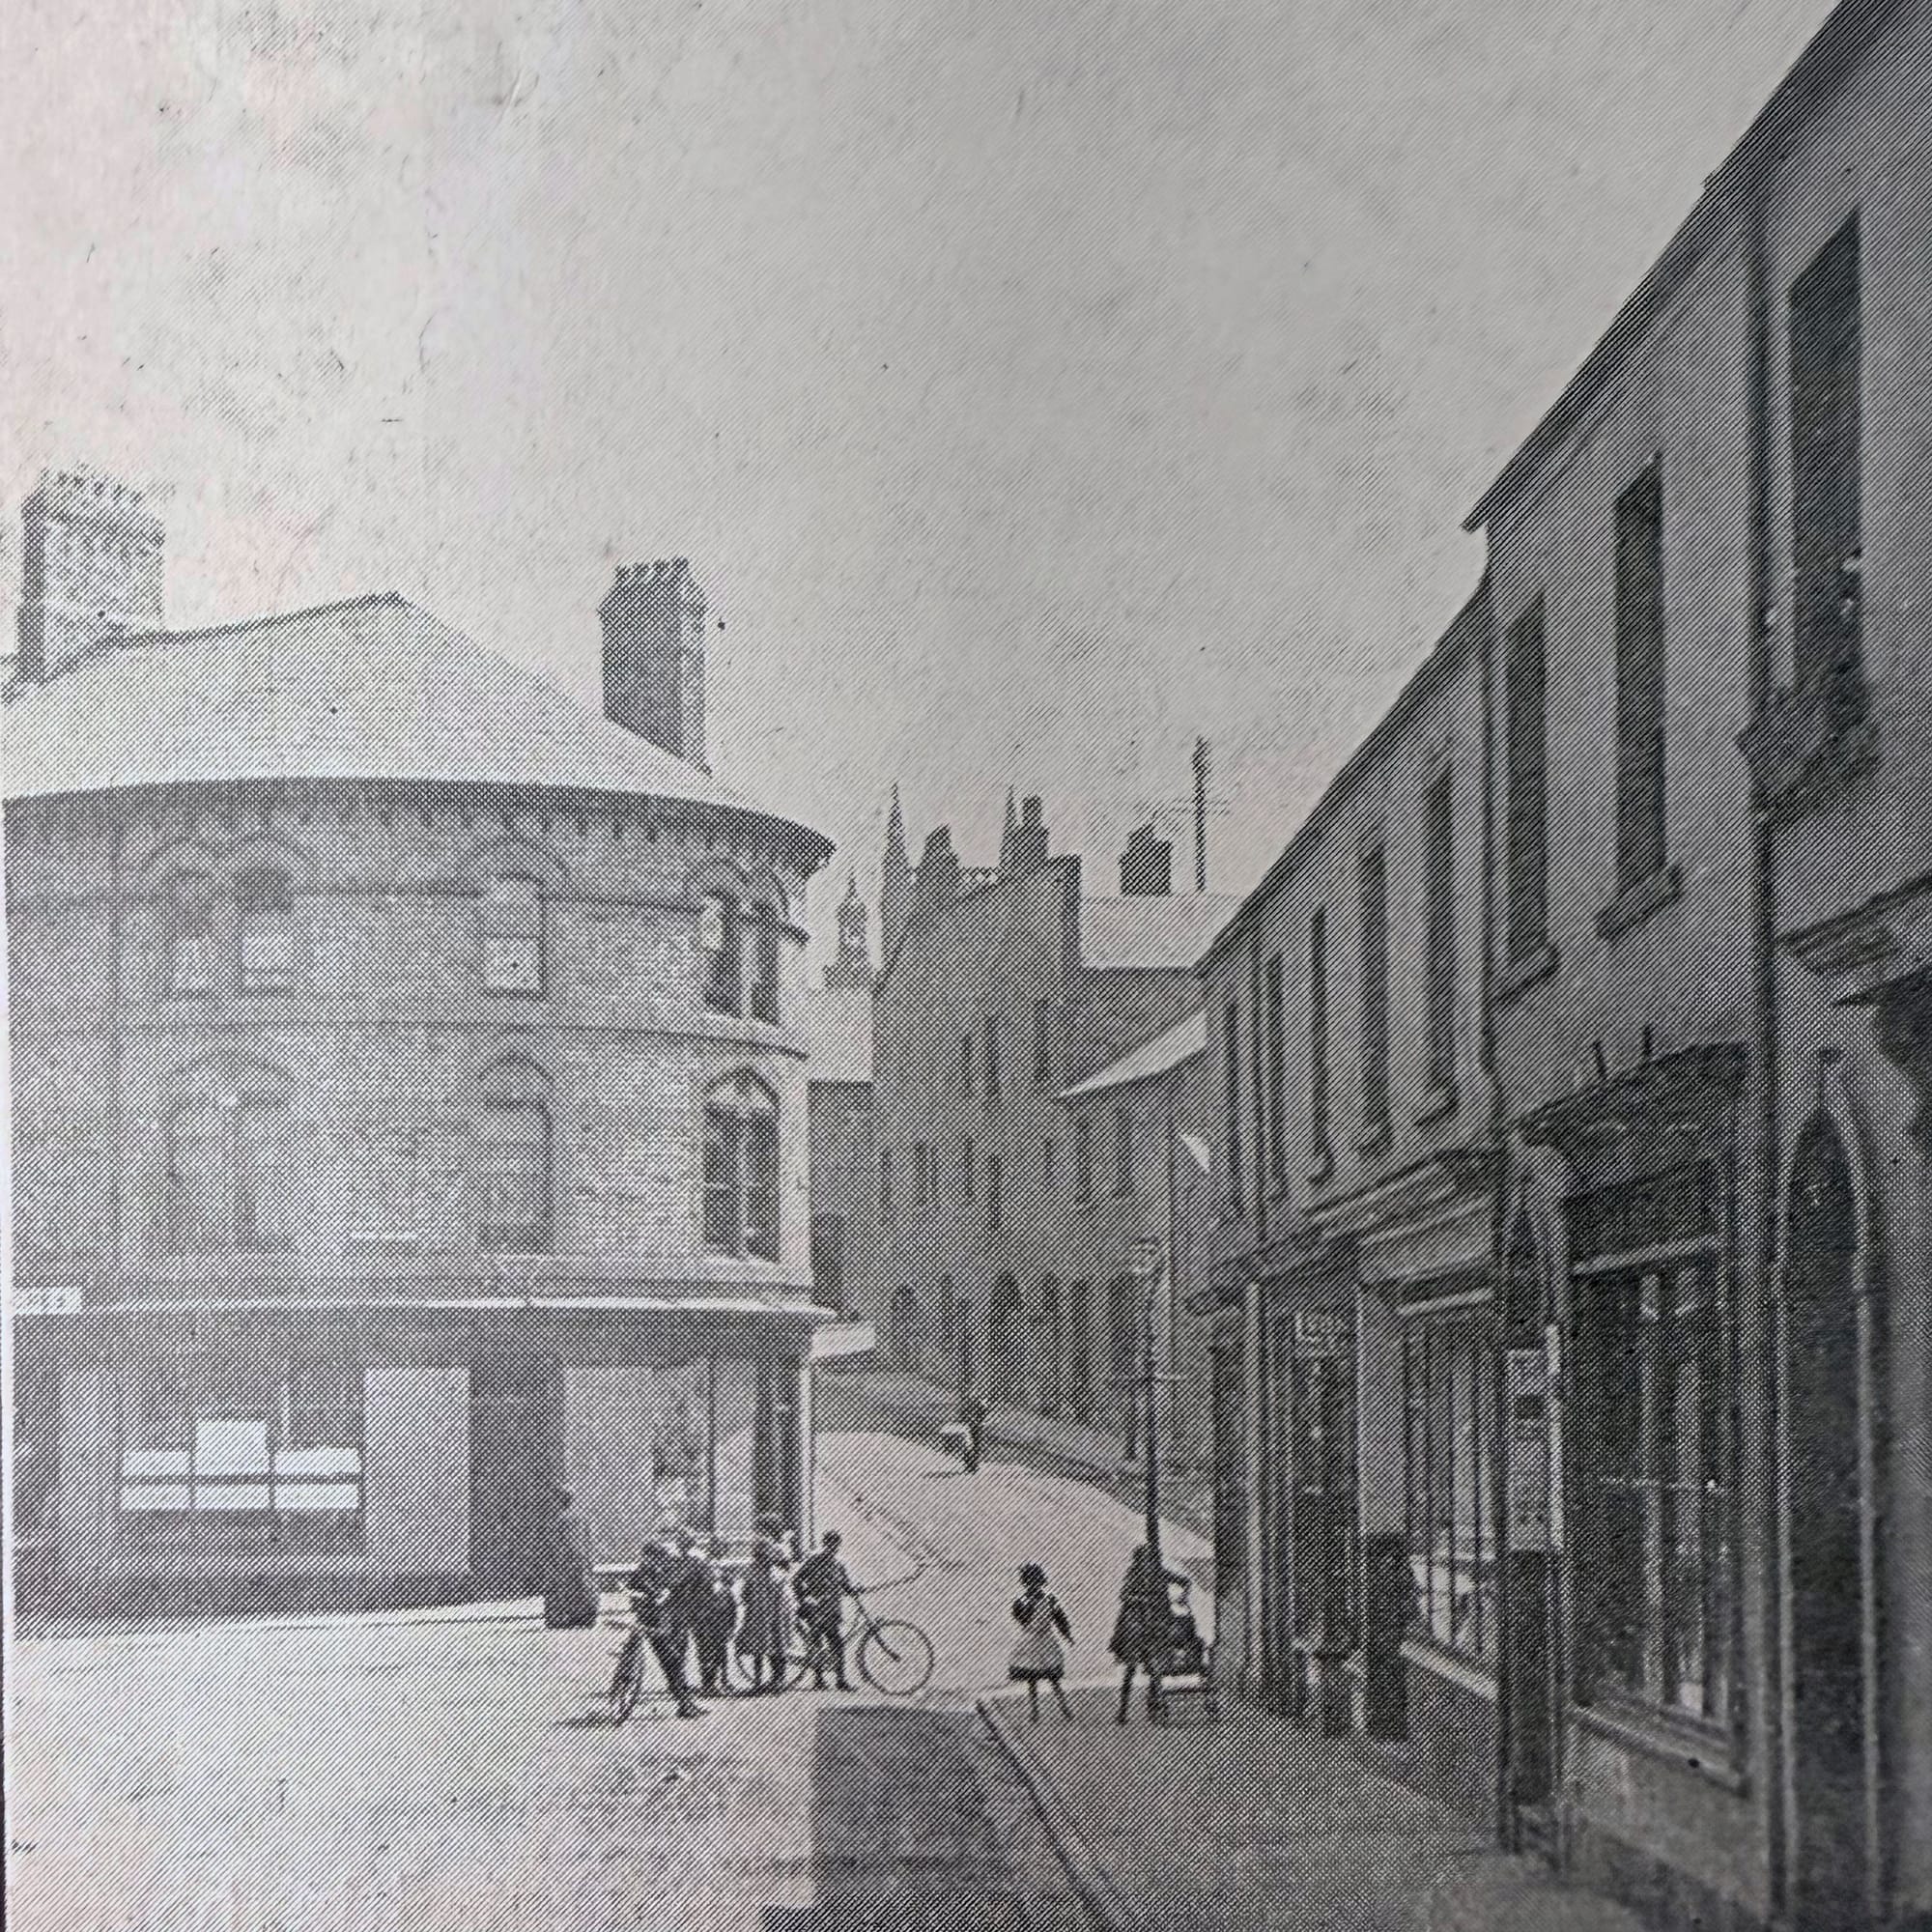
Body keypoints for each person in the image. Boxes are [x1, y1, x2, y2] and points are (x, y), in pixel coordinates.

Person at [626, 1528, 706, 1719]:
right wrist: (650, 1595)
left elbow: (670, 1588)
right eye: (652, 1558)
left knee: (677, 1660)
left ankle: (685, 1702)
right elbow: (632, 1591)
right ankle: (684, 1704)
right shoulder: (642, 1573)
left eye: (658, 1558)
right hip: (653, 1624)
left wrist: (664, 1593)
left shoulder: (664, 1571)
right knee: (673, 1660)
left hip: (669, 1621)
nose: (655, 1562)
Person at [1110, 1543, 1186, 1723]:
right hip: (1136, 1628)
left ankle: (1153, 1705)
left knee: (1154, 1668)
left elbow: (1183, 1580)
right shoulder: (1134, 1574)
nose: (1148, 1562)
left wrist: (1182, 1596)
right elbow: (1124, 1595)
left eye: (1150, 1559)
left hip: (1153, 1627)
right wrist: (1144, 1600)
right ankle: (1123, 1710)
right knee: (1131, 1668)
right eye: (1145, 1559)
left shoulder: (1159, 1573)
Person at [1008, 1563, 1075, 1723]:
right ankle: (1054, 1710)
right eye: (1032, 1582)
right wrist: (1067, 1635)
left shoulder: (1023, 1601)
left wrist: (1066, 1634)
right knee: (1042, 1678)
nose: (1034, 1586)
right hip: (1040, 1640)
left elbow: (1059, 1619)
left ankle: (1044, 1711)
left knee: (1045, 1678)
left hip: (1033, 1640)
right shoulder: (1047, 1600)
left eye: (1035, 1582)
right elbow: (1060, 1619)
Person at [735, 1520, 795, 1694]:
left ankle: (765, 1681)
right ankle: (774, 1681)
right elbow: (787, 1600)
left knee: (762, 1649)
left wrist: (748, 1603)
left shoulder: (756, 1572)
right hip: (769, 1617)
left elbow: (745, 1594)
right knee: (773, 1647)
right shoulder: (776, 1575)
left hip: (763, 1617)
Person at [792, 1529, 855, 1690]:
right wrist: (804, 1598)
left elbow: (846, 1585)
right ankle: (819, 1679)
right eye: (830, 1544)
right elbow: (796, 1579)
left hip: (832, 1610)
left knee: (837, 1644)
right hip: (815, 1610)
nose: (832, 1548)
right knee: (817, 1643)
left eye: (835, 1545)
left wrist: (855, 1589)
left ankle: (840, 1680)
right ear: (824, 1543)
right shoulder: (813, 1560)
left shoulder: (838, 1563)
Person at [540, 1488, 598, 1630]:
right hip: (581, 1559)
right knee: (582, 1588)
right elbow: (590, 1539)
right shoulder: (584, 1518)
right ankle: (584, 1619)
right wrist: (590, 1558)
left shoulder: (556, 1520)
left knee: (561, 1589)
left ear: (559, 1501)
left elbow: (553, 1542)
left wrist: (552, 1561)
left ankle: (561, 1620)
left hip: (563, 1560)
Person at [691, 1537, 738, 1696]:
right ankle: (709, 1684)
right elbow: (703, 1589)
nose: (721, 1552)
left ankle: (721, 1681)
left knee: (720, 1649)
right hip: (706, 1615)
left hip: (720, 1615)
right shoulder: (704, 1565)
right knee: (706, 1650)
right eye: (718, 1549)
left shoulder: (718, 1566)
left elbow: (728, 1589)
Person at [957, 1392, 989, 1473]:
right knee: (971, 1446)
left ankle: (972, 1465)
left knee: (974, 1446)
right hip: (972, 1426)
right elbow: (963, 1415)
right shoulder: (973, 1405)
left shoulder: (978, 1405)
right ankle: (971, 1465)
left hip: (975, 1426)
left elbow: (982, 1417)